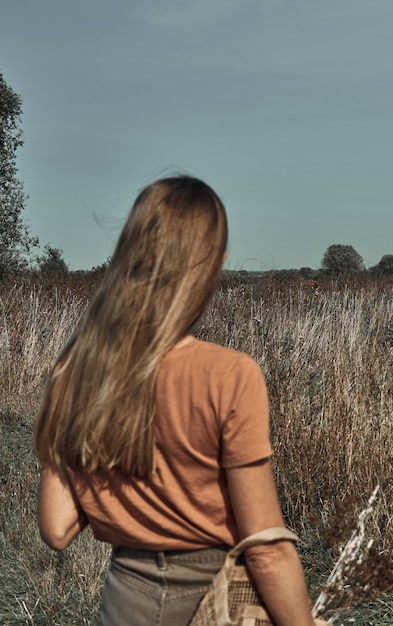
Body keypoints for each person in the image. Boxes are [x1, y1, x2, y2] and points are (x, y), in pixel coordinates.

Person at [35, 176, 323, 625]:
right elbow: (266, 549)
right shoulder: (230, 375)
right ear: (215, 263)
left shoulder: (74, 372)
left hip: (125, 600)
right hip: (216, 601)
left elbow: (56, 528)